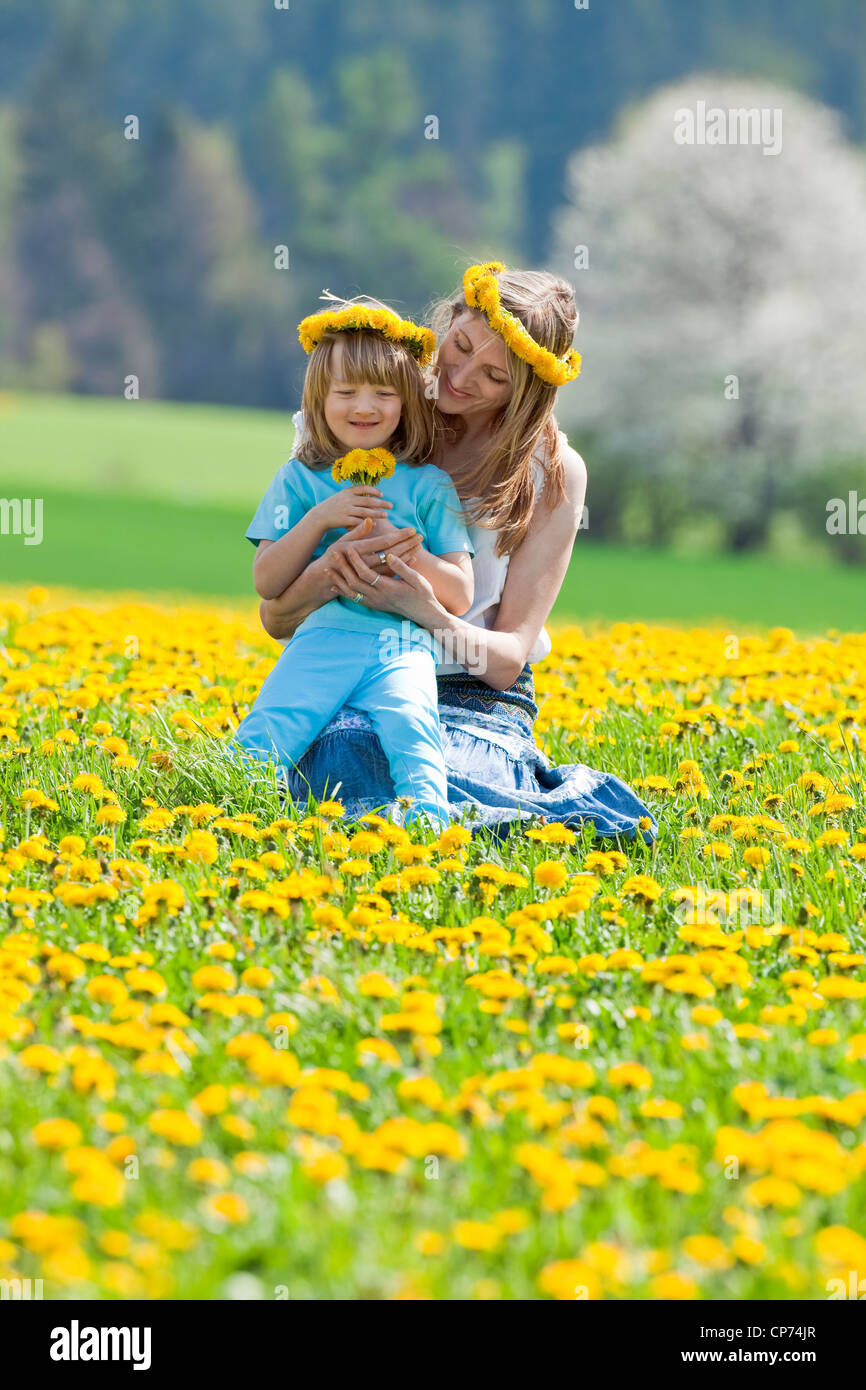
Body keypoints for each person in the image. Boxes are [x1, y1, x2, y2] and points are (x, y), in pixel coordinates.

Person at [257, 263, 658, 844]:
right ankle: (445, 821)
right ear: (451, 318)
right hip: (348, 663)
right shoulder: (369, 410)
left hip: (474, 695)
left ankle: (448, 814)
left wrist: (428, 611)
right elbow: (274, 618)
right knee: (346, 753)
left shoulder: (551, 474)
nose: (461, 376)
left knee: (424, 768)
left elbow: (506, 660)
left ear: (526, 390)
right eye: (461, 345)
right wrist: (323, 575)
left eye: (494, 375)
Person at [231, 297, 475, 829]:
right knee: (270, 732)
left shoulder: (430, 484)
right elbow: (267, 584)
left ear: (407, 403)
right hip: (322, 639)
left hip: (403, 646)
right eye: (346, 393)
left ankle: (429, 833)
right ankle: (229, 820)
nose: (365, 406)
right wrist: (320, 519)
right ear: (318, 401)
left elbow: (458, 593)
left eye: (384, 393)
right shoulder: (298, 480)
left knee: (415, 730)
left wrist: (401, 541)